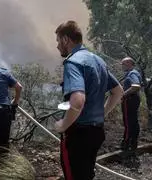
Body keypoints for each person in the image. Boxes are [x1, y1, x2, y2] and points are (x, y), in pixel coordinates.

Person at [54, 21, 124, 180]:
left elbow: (78, 100)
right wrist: (102, 114)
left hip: (78, 135)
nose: (57, 46)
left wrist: (62, 125)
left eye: (58, 41)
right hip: (97, 132)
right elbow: (118, 91)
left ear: (66, 39)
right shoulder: (98, 60)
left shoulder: (73, 62)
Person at [120, 57, 142, 151]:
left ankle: (126, 143)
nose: (122, 66)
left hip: (129, 99)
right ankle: (133, 142)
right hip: (134, 99)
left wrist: (123, 95)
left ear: (129, 63)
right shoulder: (134, 73)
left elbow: (136, 86)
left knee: (128, 122)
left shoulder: (132, 73)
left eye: (123, 64)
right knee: (133, 120)